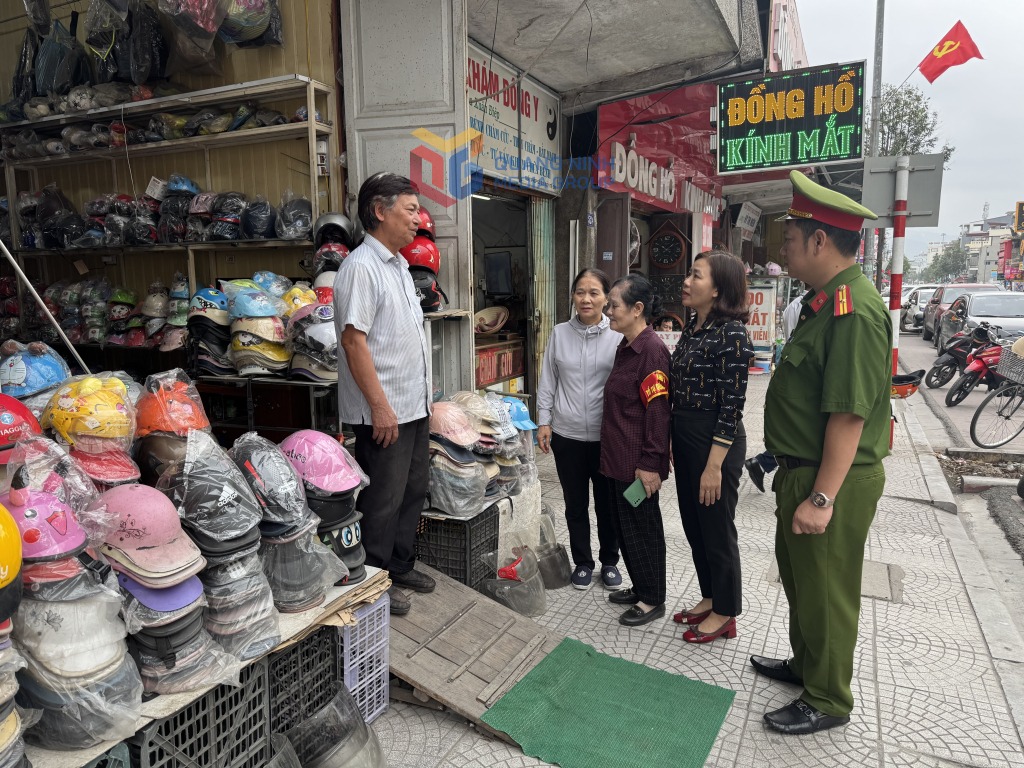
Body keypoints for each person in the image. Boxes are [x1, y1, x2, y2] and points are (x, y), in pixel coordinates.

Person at [752, 170, 889, 735]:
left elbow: (849, 415)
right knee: (802, 579)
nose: (782, 250)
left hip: (828, 478)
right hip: (800, 471)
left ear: (819, 240)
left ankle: (829, 698)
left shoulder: (853, 311)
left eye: (789, 239)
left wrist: (823, 497)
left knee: (827, 590)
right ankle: (807, 666)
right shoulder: (823, 303)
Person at [334, 172, 434, 616]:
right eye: (410, 210)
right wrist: (379, 407)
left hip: (413, 405)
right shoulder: (360, 267)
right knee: (383, 499)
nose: (418, 219)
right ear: (379, 210)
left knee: (413, 490)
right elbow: (353, 342)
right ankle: (372, 579)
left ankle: (399, 565)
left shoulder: (398, 266)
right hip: (385, 410)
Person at [670, 251, 754, 643]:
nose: (687, 281)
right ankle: (710, 595)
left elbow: (731, 408)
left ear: (718, 288)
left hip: (715, 442)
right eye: (688, 274)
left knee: (717, 529)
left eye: (696, 275)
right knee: (695, 525)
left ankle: (726, 612)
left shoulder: (732, 334)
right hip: (687, 436)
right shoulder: (693, 326)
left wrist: (713, 465)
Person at [537, 268, 624, 591]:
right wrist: (544, 421)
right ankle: (583, 563)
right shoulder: (559, 333)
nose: (586, 299)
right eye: (580, 292)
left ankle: (610, 561)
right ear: (572, 296)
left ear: (606, 298)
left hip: (607, 437)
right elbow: (548, 380)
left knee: (607, 505)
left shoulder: (617, 334)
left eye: (594, 293)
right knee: (575, 505)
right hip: (567, 435)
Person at [600, 274, 671, 626]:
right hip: (618, 460)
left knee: (643, 529)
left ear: (637, 308)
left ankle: (652, 598)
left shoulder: (651, 351)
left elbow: (658, 413)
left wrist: (650, 464)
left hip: (637, 465)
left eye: (614, 305)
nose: (608, 312)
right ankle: (641, 586)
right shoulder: (626, 346)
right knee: (627, 529)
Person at [745, 292, 806, 492]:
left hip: (792, 367)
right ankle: (765, 462)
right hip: (800, 372)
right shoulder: (808, 305)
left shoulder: (793, 306)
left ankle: (765, 463)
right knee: (799, 428)